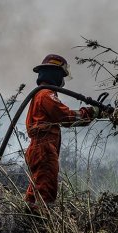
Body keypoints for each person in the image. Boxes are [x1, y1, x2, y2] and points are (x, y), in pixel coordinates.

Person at [24, 54, 106, 213]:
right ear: (55, 75)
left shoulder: (40, 94)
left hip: (38, 148)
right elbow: (67, 117)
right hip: (44, 149)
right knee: (45, 190)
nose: (62, 81)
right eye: (62, 76)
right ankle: (42, 227)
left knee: (36, 189)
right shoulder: (46, 95)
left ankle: (28, 225)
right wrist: (92, 112)